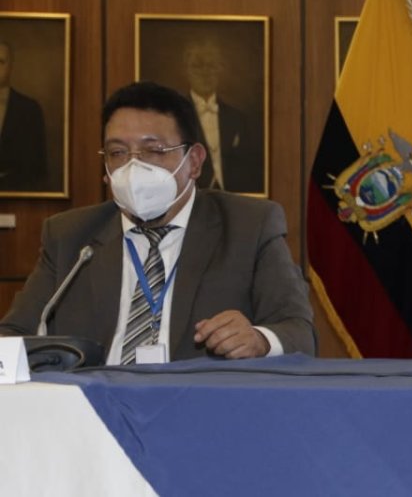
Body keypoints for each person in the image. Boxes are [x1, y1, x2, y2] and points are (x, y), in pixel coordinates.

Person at [0, 81, 315, 363]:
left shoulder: (250, 226)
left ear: (194, 162)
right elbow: (14, 335)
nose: (133, 166)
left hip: (198, 410)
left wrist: (260, 340)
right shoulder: (70, 236)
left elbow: (298, 331)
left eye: (153, 150)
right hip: (91, 410)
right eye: (118, 152)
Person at [183, 41, 262, 193]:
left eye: (211, 66)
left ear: (221, 69)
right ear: (186, 70)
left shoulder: (238, 118)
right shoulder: (176, 116)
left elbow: (248, 167)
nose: (205, 72)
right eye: (197, 66)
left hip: (232, 201)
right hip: (192, 201)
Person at [0, 40, 48, 191]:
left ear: (11, 66)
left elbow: (38, 166)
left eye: (0, 62)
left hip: (20, 191)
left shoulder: (30, 110)